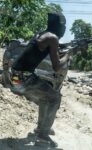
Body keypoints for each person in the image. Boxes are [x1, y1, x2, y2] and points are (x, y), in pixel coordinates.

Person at [12, 12, 69, 148]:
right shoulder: (53, 38)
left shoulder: (42, 34)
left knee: (45, 97)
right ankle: (43, 136)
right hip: (23, 77)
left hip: (15, 75)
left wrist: (61, 52)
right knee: (55, 98)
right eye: (63, 26)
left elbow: (48, 52)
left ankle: (40, 129)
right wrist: (68, 55)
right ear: (59, 26)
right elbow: (57, 67)